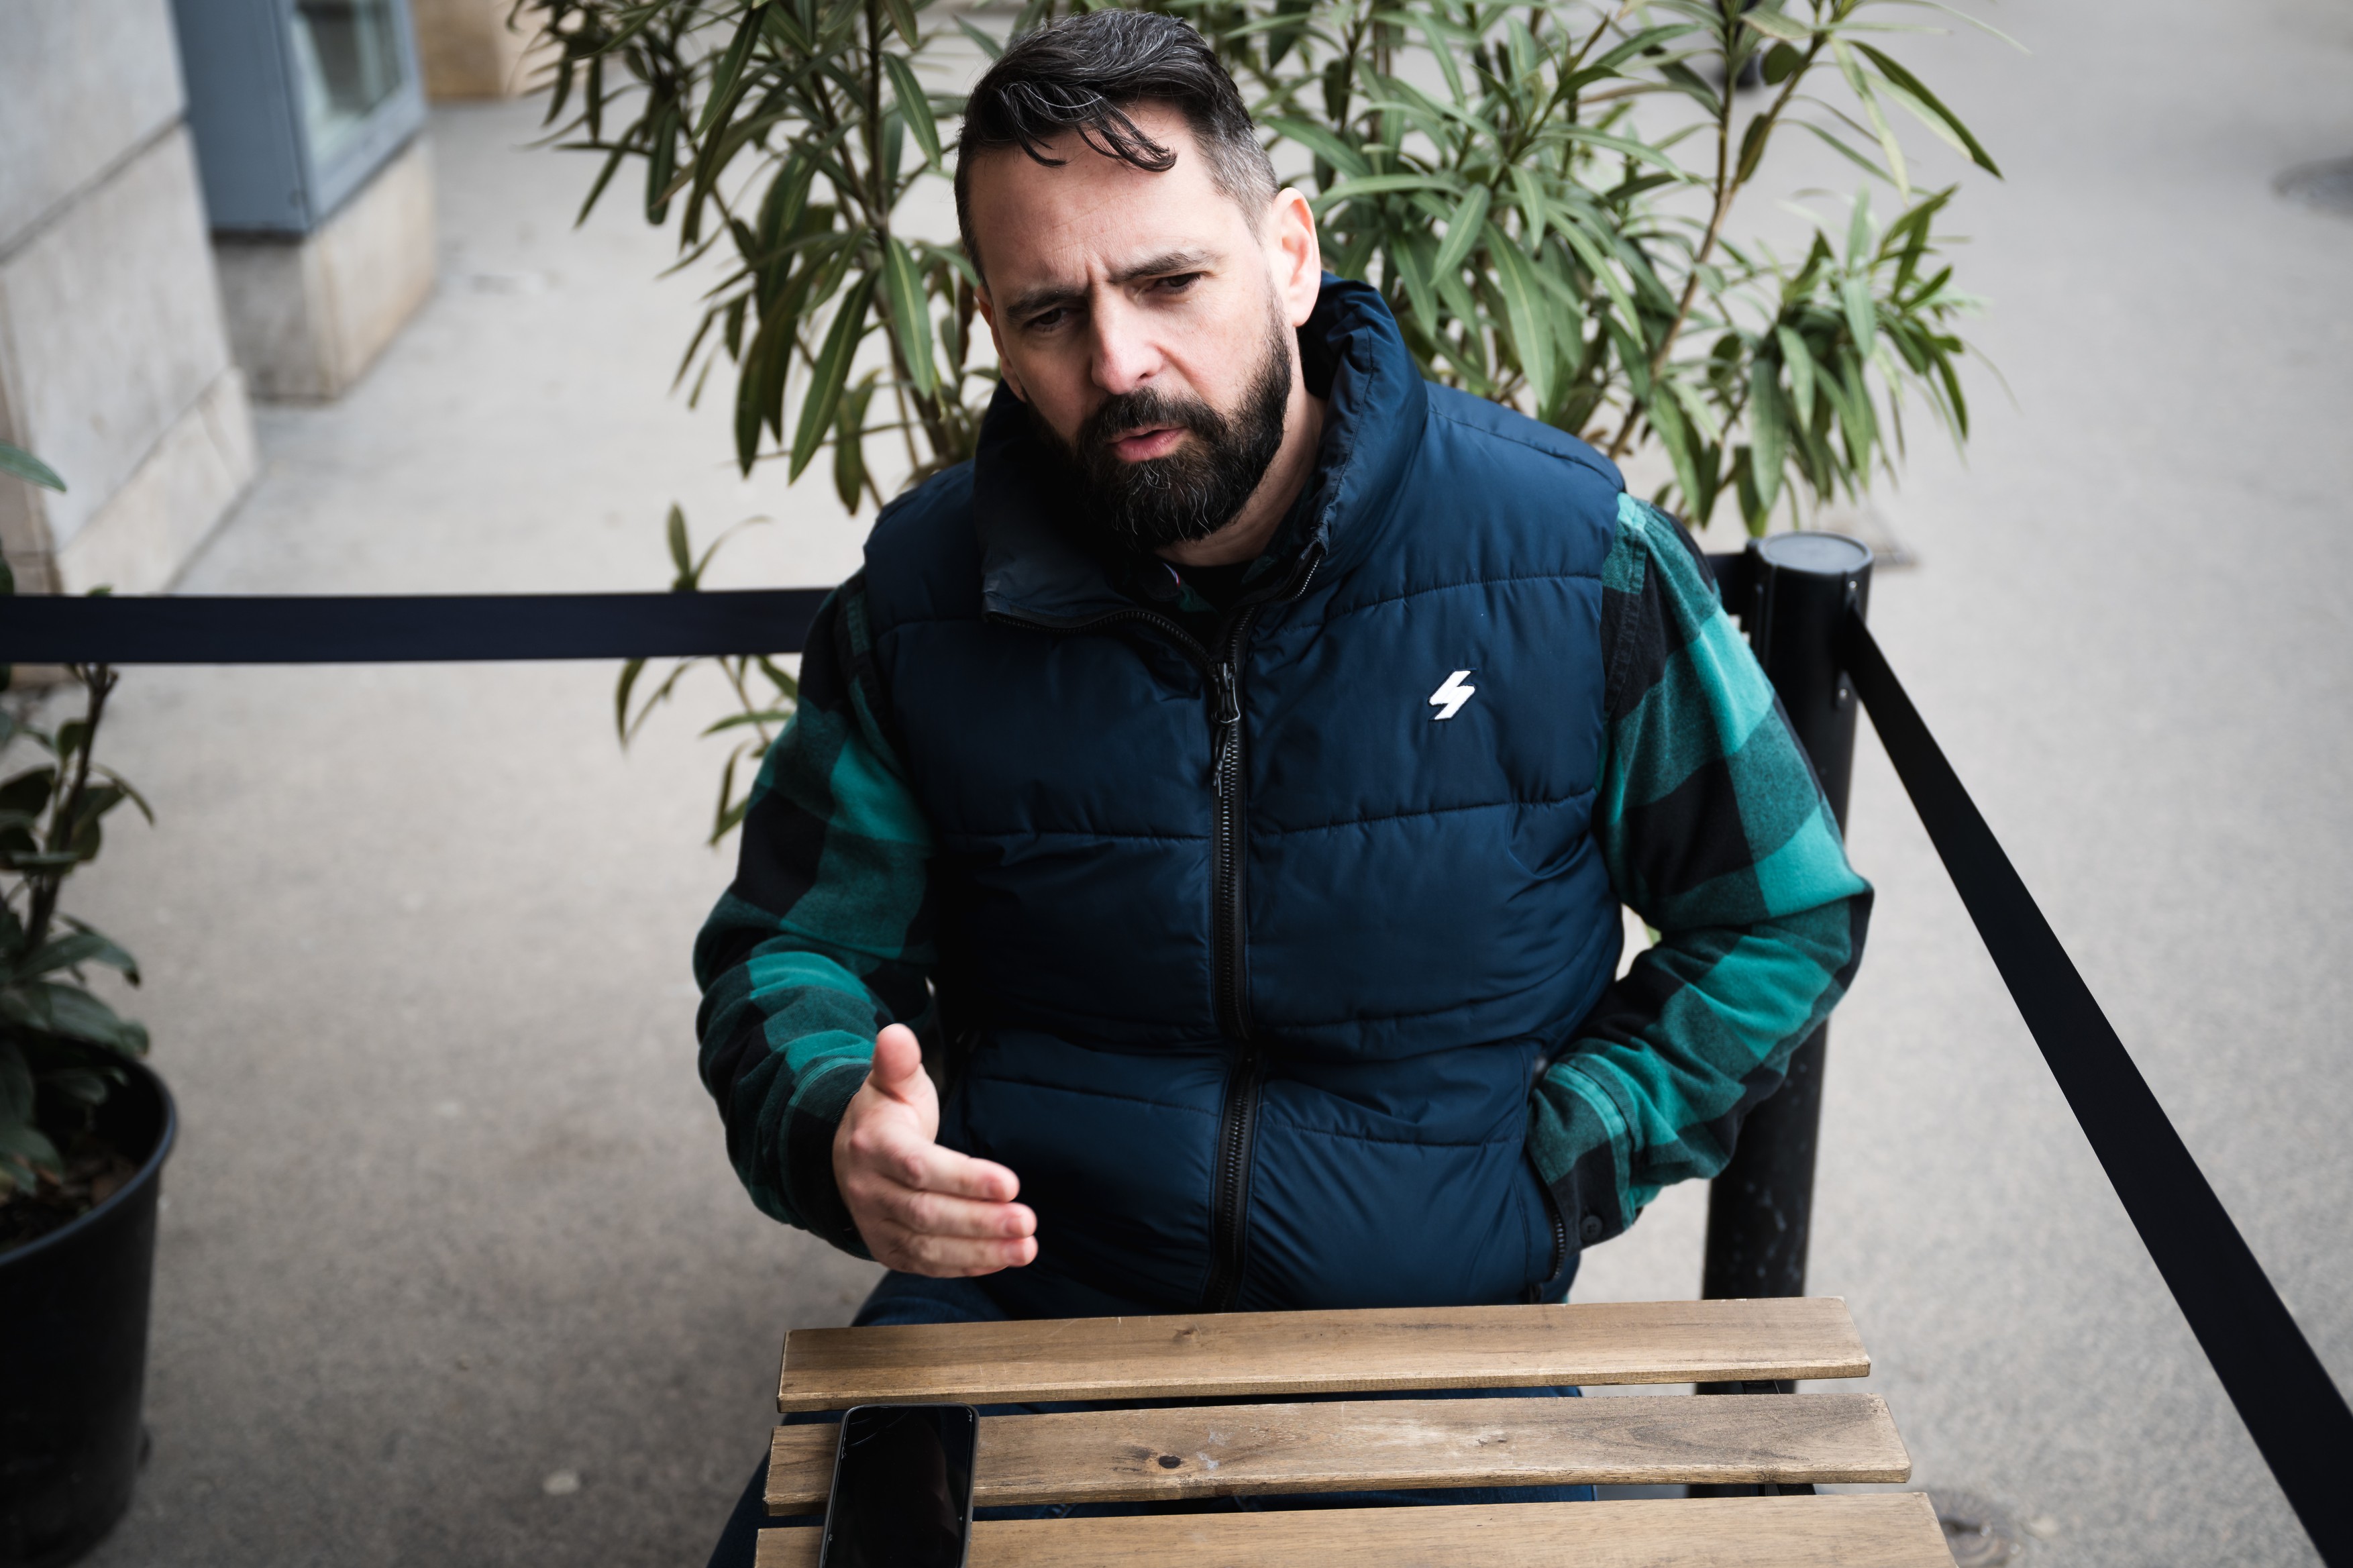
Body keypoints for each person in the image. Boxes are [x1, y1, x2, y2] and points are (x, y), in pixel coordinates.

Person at [693, 10, 1871, 1559]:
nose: (1118, 360)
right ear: (992, 330)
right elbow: (785, 952)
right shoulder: (925, 601)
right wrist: (838, 1124)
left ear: (1289, 254)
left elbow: (1777, 915)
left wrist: (1561, 1156)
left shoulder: (1565, 558)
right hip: (1024, 1303)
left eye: (1168, 280)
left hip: (1434, 1328)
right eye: (1048, 311)